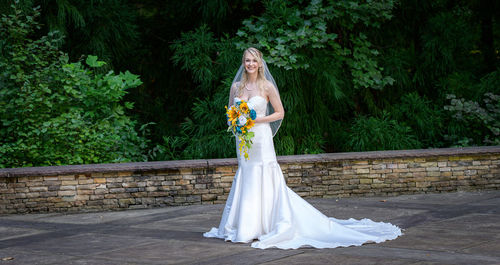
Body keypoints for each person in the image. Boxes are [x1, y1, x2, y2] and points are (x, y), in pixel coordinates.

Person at [203, 47, 402, 249]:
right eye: (247, 61)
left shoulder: (267, 87)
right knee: (247, 174)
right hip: (244, 141)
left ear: (260, 63)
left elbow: (280, 113)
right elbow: (230, 113)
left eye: (254, 61)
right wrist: (237, 123)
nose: (250, 64)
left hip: (261, 139)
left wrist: (256, 120)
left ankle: (266, 225)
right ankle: (244, 226)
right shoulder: (236, 87)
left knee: (264, 174)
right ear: (243, 63)